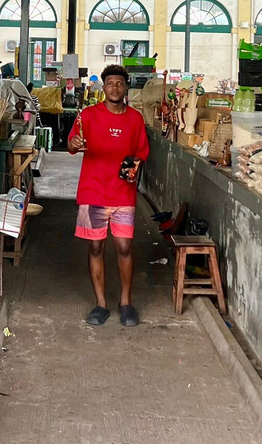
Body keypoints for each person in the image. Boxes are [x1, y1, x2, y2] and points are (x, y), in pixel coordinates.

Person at [68, 64, 149, 327]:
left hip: (123, 193)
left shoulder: (135, 118)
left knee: (124, 246)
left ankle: (126, 302)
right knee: (95, 246)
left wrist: (133, 166)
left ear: (126, 87)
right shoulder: (87, 115)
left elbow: (142, 151)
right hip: (93, 191)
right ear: (103, 87)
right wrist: (75, 144)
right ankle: (101, 303)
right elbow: (71, 143)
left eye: (120, 83)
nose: (115, 87)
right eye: (110, 83)